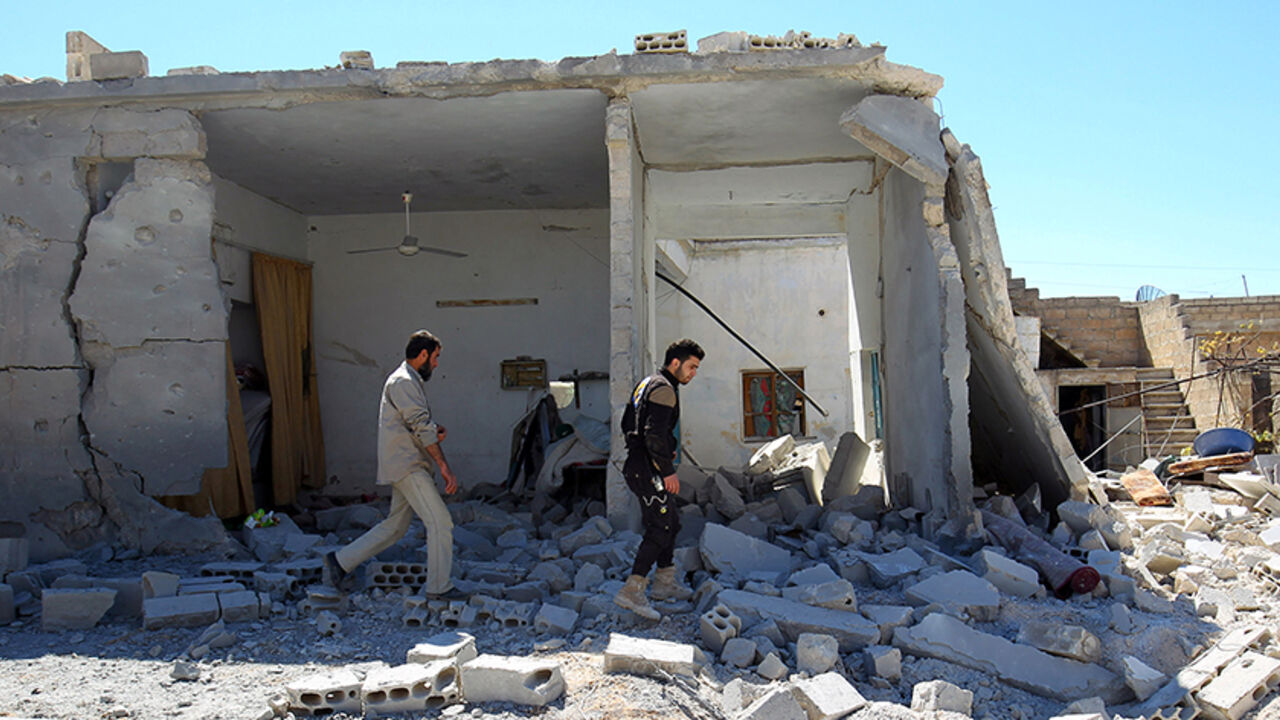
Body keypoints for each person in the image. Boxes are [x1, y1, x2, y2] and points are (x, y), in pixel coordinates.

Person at [324, 330, 464, 599]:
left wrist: (434, 432)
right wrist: (444, 466)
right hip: (408, 465)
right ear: (422, 354)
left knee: (395, 526)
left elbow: (415, 424)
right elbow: (420, 426)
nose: (436, 364)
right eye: (434, 358)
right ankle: (439, 588)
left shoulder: (406, 380)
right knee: (440, 522)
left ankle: (340, 562)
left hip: (406, 462)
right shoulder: (403, 382)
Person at [613, 338, 705, 620]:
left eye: (697, 368)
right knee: (660, 526)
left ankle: (664, 584)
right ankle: (632, 590)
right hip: (648, 470)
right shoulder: (665, 389)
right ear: (674, 363)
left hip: (640, 465)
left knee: (671, 522)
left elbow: (628, 424)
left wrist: (663, 444)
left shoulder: (647, 383)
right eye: (691, 366)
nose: (693, 373)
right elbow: (653, 433)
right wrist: (666, 469)